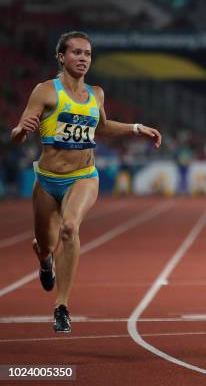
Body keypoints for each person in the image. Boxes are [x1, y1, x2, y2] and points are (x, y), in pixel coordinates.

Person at [10, 31, 162, 333]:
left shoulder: (97, 93)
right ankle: (44, 261)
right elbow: (18, 133)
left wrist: (135, 127)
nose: (83, 59)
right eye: (77, 53)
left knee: (69, 227)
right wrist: (21, 132)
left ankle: (61, 306)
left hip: (83, 177)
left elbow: (103, 127)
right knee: (45, 244)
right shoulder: (45, 91)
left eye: (88, 54)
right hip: (48, 179)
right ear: (61, 57)